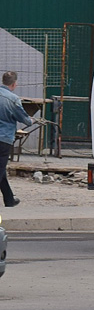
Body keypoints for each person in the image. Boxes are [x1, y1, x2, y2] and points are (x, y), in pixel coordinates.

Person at [0, 71, 32, 208]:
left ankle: (9, 199)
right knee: (0, 169)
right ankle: (9, 200)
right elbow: (25, 120)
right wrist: (31, 120)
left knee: (1, 170)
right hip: (4, 138)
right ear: (14, 83)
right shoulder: (13, 99)